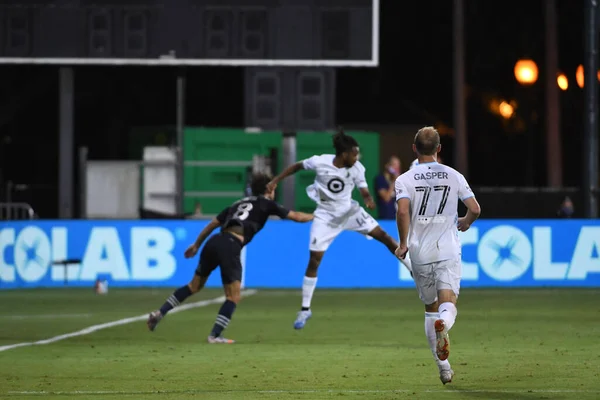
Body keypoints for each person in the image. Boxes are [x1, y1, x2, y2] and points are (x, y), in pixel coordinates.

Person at [267, 128, 413, 330]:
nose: (357, 157)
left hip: (350, 212)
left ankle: (412, 269)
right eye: (354, 153)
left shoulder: (356, 168)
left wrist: (368, 199)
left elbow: (363, 190)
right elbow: (296, 166)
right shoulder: (321, 162)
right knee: (314, 260)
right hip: (326, 216)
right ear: (344, 154)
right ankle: (305, 309)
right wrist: (275, 181)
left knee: (384, 236)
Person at [146, 173, 313, 343]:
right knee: (233, 297)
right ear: (269, 188)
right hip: (231, 245)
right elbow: (297, 217)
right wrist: (319, 216)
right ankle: (215, 336)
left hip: (214, 242)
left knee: (193, 286)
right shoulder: (266, 204)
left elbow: (212, 224)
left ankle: (160, 312)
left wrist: (196, 245)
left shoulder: (237, 204)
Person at [394, 126, 481, 385]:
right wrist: (466, 220)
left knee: (429, 308)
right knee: (448, 303)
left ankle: (444, 368)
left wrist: (402, 243)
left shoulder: (405, 179)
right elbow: (475, 208)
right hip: (448, 250)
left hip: (420, 252)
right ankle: (444, 323)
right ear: (439, 149)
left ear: (414, 148)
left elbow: (402, 212)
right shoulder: (454, 175)